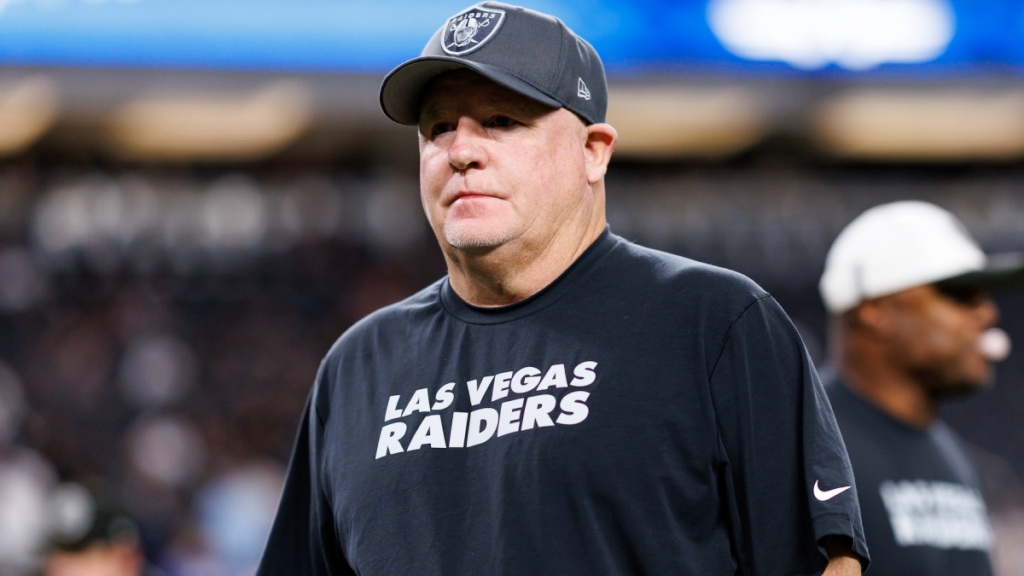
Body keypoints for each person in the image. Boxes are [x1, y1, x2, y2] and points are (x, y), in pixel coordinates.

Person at [257, 3, 868, 574]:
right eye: (438, 127)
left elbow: (825, 563)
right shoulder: (359, 366)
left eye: (501, 121)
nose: (460, 150)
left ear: (593, 152)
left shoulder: (715, 322)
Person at [819, 200, 1024, 576]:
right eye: (959, 294)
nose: (987, 312)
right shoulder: (805, 444)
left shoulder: (954, 458)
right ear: (875, 310)